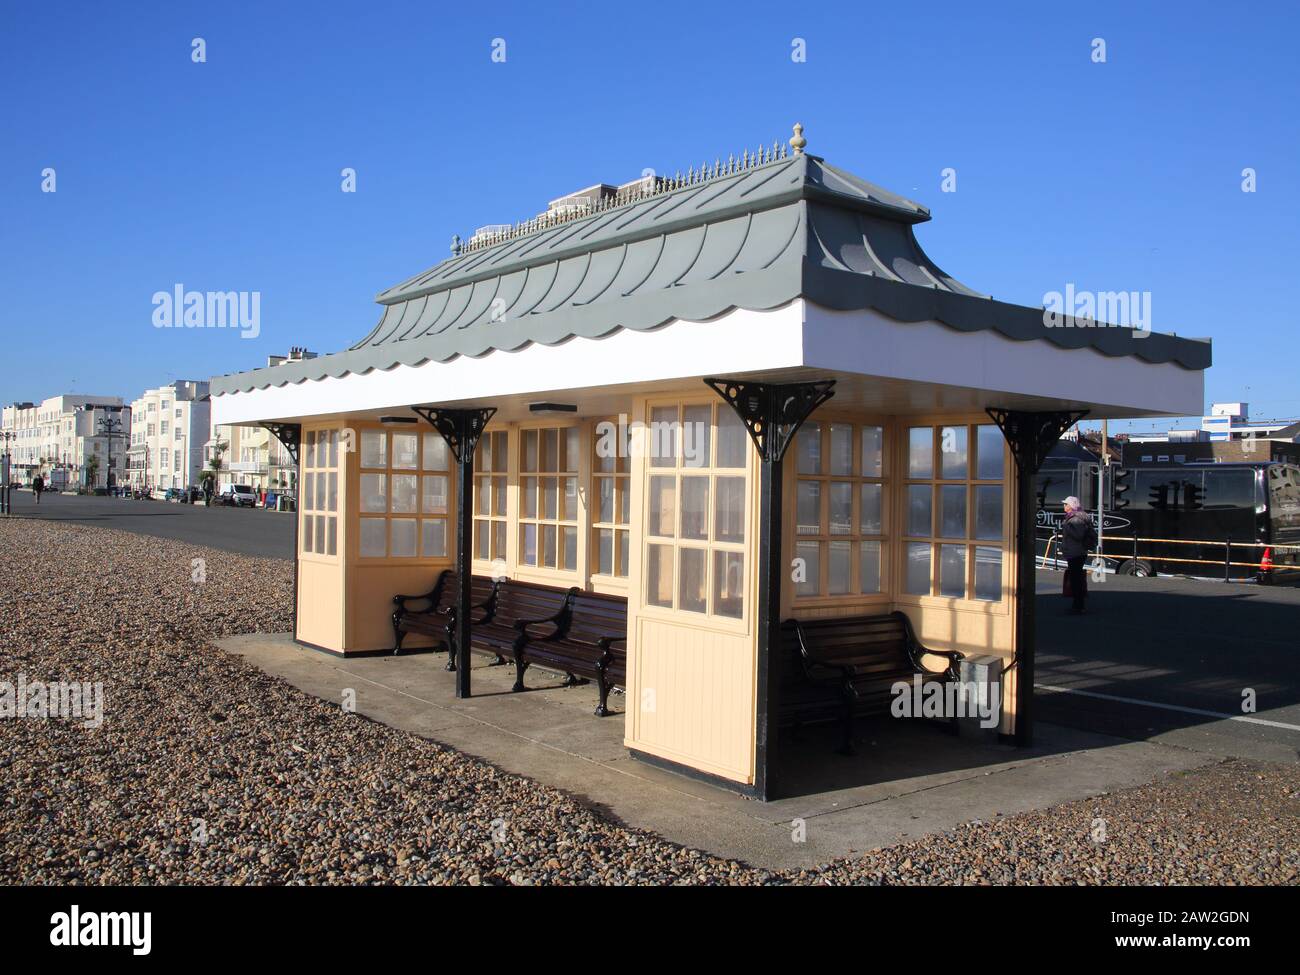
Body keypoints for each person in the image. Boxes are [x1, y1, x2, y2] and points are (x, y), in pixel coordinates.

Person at [1061, 496, 1098, 615]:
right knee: (1076, 577)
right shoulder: (1077, 517)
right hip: (1078, 551)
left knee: (1075, 579)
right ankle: (1078, 603)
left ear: (1071, 506)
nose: (1064, 506)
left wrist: (1066, 527)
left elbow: (1078, 535)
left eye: (1066, 504)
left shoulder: (1075, 519)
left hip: (1075, 552)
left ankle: (1078, 604)